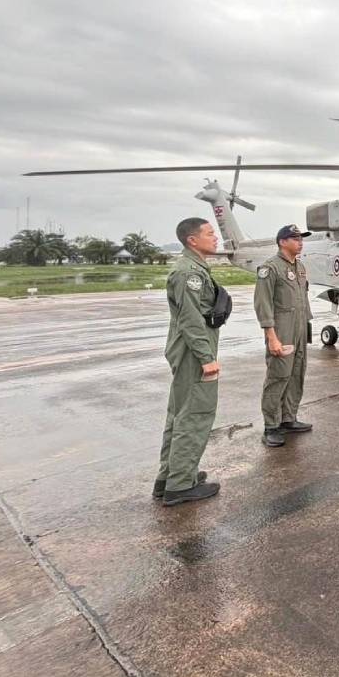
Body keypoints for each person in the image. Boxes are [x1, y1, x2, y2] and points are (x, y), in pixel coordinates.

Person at [153, 217, 223, 506]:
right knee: (195, 414)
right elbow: (191, 319)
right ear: (192, 240)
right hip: (194, 354)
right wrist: (207, 358)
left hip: (189, 351)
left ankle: (170, 477)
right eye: (209, 233)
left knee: (179, 414)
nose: (215, 237)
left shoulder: (193, 268)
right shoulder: (188, 273)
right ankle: (180, 485)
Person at [253, 224, 313, 448]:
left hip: (299, 328)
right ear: (282, 242)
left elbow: (302, 300)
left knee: (297, 374)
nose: (300, 241)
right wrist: (271, 336)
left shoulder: (300, 267)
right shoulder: (270, 268)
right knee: (278, 376)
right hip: (281, 329)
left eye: (301, 238)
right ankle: (271, 426)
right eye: (295, 238)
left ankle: (289, 418)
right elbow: (263, 304)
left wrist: (306, 327)